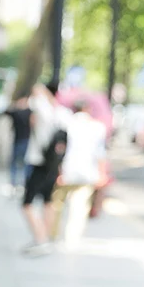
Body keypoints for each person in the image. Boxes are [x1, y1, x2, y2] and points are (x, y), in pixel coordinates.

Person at [21, 82, 71, 256]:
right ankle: (47, 239)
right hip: (54, 164)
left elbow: (35, 98)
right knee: (47, 201)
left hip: (39, 162)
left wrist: (40, 90)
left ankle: (41, 239)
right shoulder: (62, 113)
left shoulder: (43, 111)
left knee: (27, 203)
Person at [50, 99, 108, 248]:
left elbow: (58, 149)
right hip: (88, 172)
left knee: (56, 205)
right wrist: (102, 174)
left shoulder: (66, 124)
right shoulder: (97, 127)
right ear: (88, 109)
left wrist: (57, 171)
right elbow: (100, 153)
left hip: (65, 171)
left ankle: (52, 234)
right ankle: (72, 239)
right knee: (80, 208)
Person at [4, 96, 31, 195]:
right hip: (26, 141)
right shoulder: (29, 112)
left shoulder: (16, 112)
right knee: (24, 164)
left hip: (18, 140)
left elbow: (6, 111)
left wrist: (15, 105)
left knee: (15, 163)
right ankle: (23, 184)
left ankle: (14, 183)